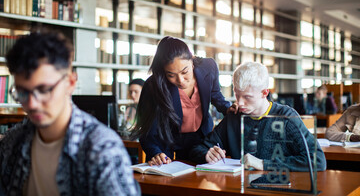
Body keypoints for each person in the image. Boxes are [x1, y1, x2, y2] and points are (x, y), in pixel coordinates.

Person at [0, 32, 140, 195]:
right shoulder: (12, 142)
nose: (32, 104)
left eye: (44, 90)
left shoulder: (101, 149)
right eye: (22, 92)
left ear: (70, 83)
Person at [190, 62, 326, 172]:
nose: (240, 103)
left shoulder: (286, 117)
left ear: (265, 93)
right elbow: (197, 149)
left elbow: (318, 160)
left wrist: (264, 164)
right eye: (237, 95)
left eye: (247, 97)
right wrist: (206, 154)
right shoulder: (234, 117)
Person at [131, 36, 237, 165]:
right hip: (168, 139)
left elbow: (215, 94)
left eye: (184, 71)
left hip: (200, 137)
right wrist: (155, 153)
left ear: (192, 60)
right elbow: (147, 130)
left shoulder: (208, 67)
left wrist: (227, 107)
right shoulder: (154, 85)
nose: (180, 80)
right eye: (171, 75)